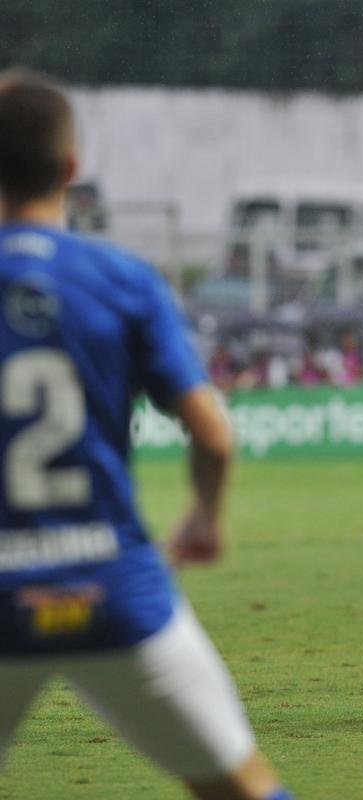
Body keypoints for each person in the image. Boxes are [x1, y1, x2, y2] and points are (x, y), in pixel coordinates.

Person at [0, 70, 291, 800]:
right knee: (244, 788)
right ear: (71, 169)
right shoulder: (122, 279)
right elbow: (212, 436)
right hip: (112, 586)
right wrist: (202, 516)